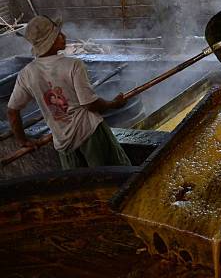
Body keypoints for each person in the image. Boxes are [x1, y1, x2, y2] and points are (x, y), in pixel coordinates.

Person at [6, 15, 131, 169]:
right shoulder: (73, 65)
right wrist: (114, 104)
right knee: (115, 176)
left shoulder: (26, 74)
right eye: (58, 35)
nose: (64, 36)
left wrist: (23, 140)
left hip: (63, 143)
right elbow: (90, 104)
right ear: (50, 42)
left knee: (79, 186)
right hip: (90, 134)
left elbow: (12, 112)